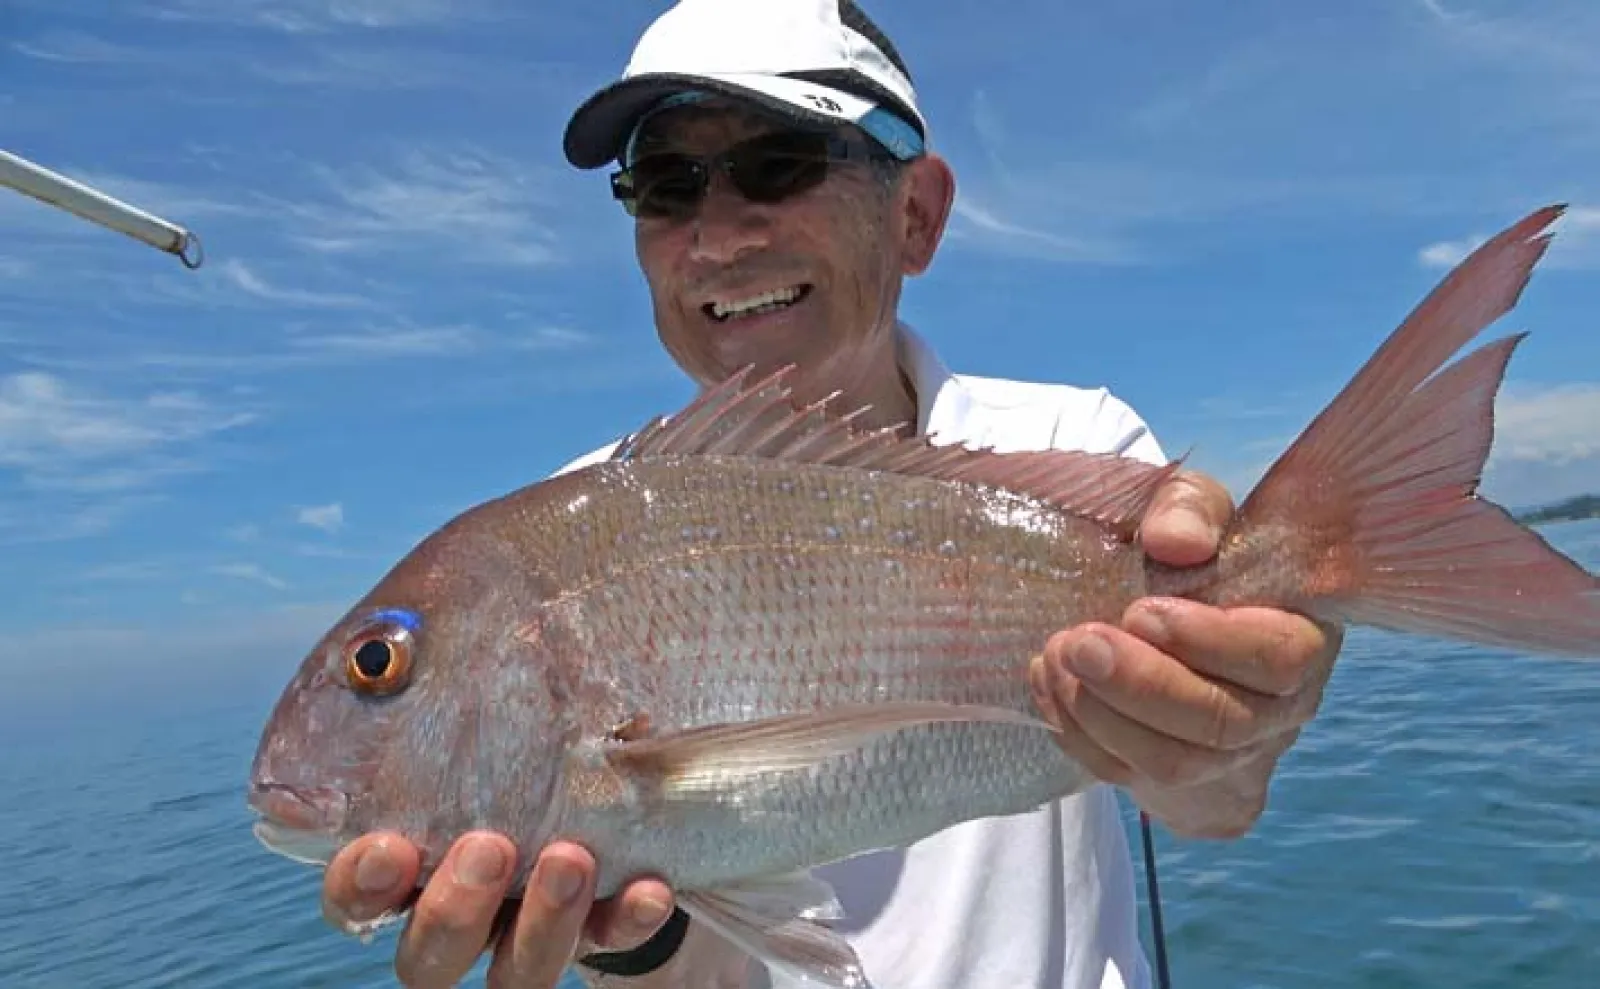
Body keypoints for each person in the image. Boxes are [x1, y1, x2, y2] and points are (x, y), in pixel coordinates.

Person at [318, 1, 1342, 986]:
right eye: (667, 186)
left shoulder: (1073, 444)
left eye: (777, 165)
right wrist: (627, 948)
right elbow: (679, 973)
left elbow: (1211, 802)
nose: (717, 239)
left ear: (915, 216)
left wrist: (1237, 721)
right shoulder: (570, 514)